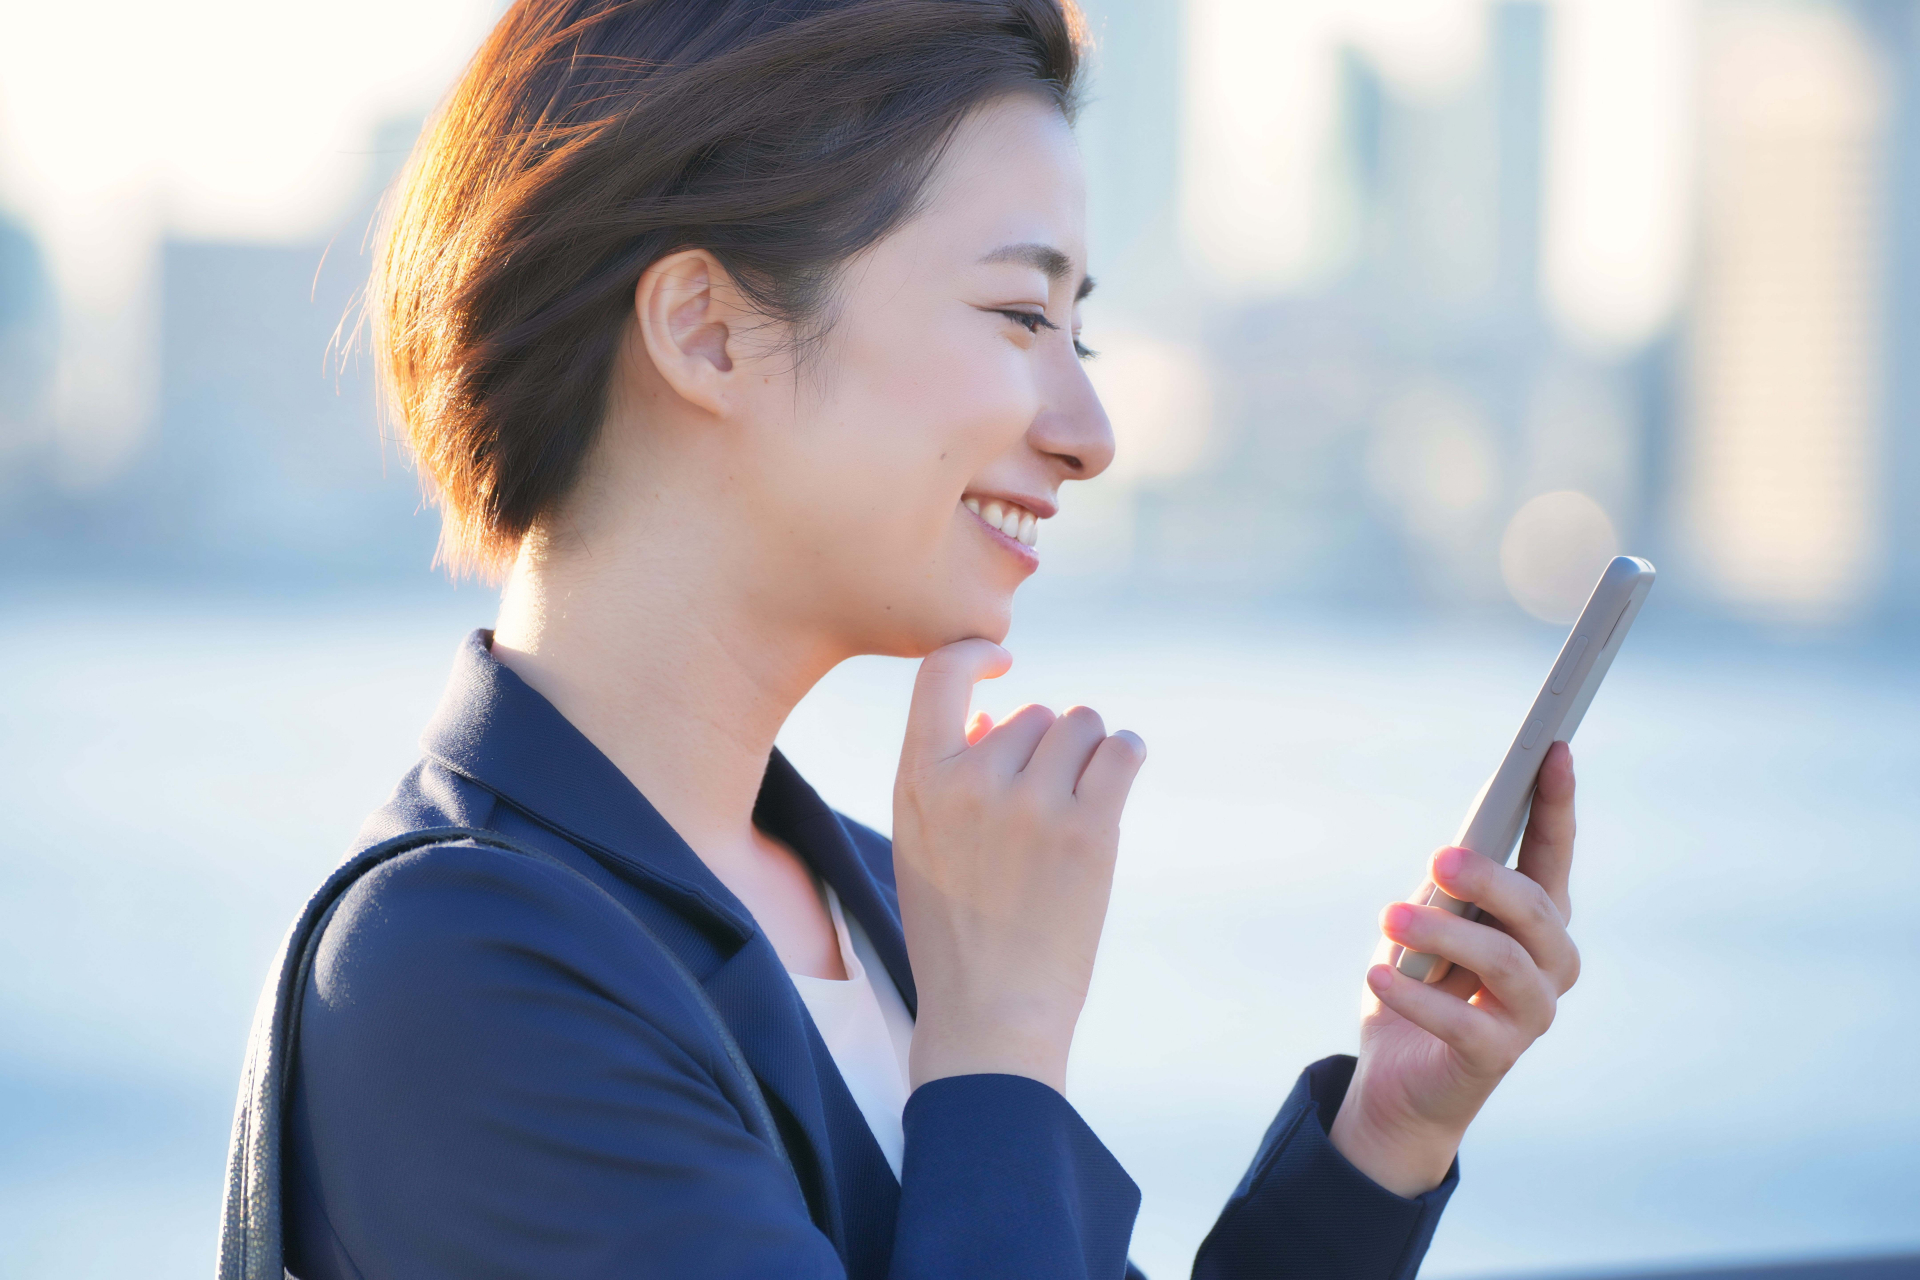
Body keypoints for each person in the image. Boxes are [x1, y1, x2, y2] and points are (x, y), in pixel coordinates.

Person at [275, 1, 1583, 1276]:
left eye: (1081, 332)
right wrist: (1000, 1043)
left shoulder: (883, 899)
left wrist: (1381, 1143)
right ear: (706, 331)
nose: (1090, 430)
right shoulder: (458, 966)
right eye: (1021, 316)